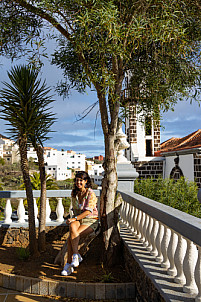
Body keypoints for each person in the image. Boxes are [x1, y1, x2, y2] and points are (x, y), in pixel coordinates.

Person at [61, 171, 99, 276]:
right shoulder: (74, 193)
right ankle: (76, 255)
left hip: (91, 220)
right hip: (78, 220)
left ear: (86, 181)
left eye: (81, 180)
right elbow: (75, 210)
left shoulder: (91, 193)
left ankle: (68, 265)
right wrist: (74, 219)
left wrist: (75, 218)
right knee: (73, 227)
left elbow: (88, 211)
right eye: (77, 180)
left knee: (71, 238)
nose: (78, 182)